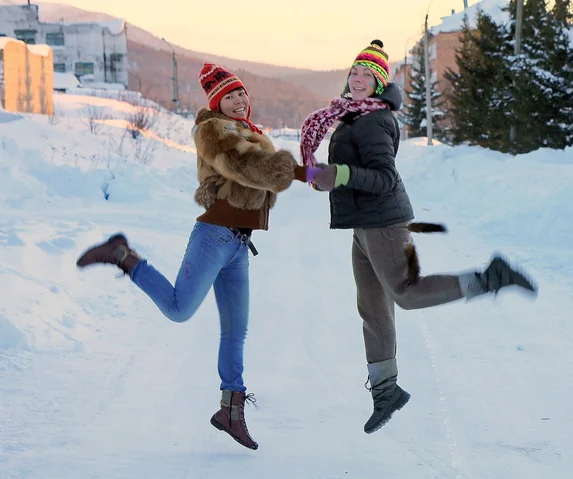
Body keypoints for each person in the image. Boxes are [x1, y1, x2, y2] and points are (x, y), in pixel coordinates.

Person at [299, 40, 537, 435]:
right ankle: (385, 391)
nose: (357, 79)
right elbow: (347, 170)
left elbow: (384, 178)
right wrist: (322, 176)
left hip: (385, 224)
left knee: (405, 294)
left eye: (367, 75)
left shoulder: (376, 120)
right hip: (363, 225)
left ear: (379, 83)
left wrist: (338, 175)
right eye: (353, 73)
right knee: (372, 308)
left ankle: (490, 277)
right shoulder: (351, 116)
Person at [76, 63, 316, 450]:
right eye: (230, 96)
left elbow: (262, 179)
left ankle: (231, 411)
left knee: (236, 332)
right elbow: (249, 168)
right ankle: (123, 256)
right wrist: (302, 173)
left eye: (242, 93)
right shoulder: (213, 132)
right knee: (178, 309)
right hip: (214, 236)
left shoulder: (250, 132)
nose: (239, 100)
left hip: (238, 246)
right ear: (218, 103)